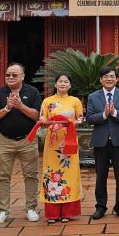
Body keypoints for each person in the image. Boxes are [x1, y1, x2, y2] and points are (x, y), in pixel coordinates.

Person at [0, 63, 42, 224]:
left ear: (23, 76)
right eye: (8, 75)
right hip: (4, 141)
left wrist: (20, 106)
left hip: (27, 140)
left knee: (31, 175)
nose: (10, 78)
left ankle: (31, 208)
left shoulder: (32, 92)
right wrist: (7, 108)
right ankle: (3, 210)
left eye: (14, 75)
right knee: (3, 176)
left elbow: (36, 115)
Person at [86, 66, 119, 220]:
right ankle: (100, 206)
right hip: (100, 142)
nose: (109, 79)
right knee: (101, 175)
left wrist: (114, 113)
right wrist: (103, 114)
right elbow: (89, 118)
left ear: (116, 78)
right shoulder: (93, 97)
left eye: (112, 76)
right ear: (101, 79)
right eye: (106, 76)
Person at [38, 74, 85, 223]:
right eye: (60, 81)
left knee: (69, 173)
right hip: (52, 143)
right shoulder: (47, 101)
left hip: (69, 140)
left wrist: (70, 122)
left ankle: (67, 212)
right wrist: (50, 122)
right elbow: (42, 119)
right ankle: (52, 213)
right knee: (50, 173)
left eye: (66, 81)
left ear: (70, 85)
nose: (63, 83)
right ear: (56, 84)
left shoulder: (75, 101)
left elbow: (81, 119)